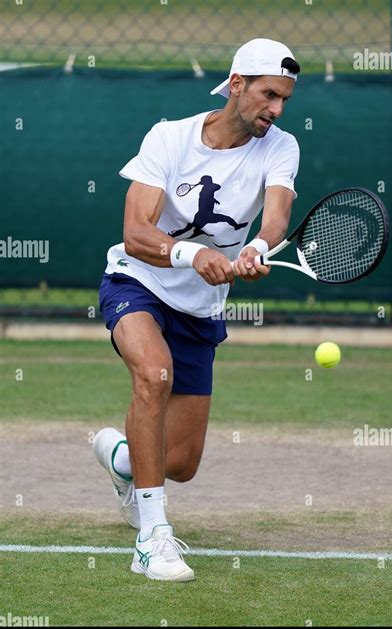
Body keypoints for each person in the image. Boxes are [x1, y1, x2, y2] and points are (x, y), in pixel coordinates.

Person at [94, 37, 301, 582]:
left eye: (284, 99)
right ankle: (152, 539)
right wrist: (191, 252)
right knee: (153, 374)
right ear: (236, 85)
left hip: (200, 308)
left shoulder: (280, 147)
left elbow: (276, 216)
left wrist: (258, 247)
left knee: (180, 464)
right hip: (137, 282)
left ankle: (122, 459)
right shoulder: (169, 137)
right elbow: (135, 232)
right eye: (268, 95)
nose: (275, 109)